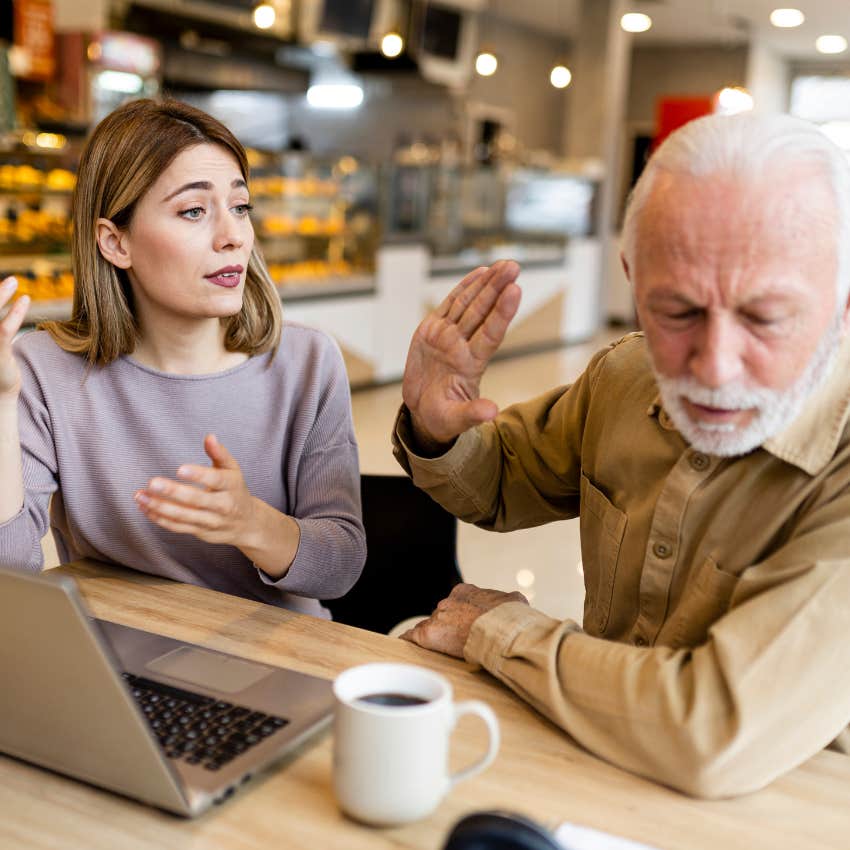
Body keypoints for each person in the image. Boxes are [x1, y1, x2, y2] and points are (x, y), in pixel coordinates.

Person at [392, 111, 850, 797]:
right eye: (677, 312)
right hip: (589, 766)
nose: (716, 366)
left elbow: (711, 733)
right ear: (633, 280)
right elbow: (504, 481)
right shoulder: (626, 375)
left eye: (765, 317)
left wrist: (501, 629)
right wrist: (440, 429)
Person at [0, 98, 366, 617]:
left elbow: (341, 567)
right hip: (120, 660)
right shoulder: (42, 369)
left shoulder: (308, 364)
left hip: (278, 660)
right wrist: (0, 401)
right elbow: (8, 572)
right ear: (115, 242)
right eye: (194, 210)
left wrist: (249, 523)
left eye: (241, 207)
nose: (233, 236)